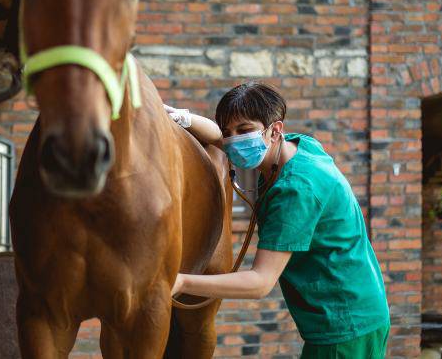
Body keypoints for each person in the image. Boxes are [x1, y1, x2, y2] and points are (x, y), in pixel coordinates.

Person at [167, 82, 390, 358]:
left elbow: (260, 282)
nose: (234, 140)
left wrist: (180, 282)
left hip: (344, 325)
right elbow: (220, 139)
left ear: (276, 130)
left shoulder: (296, 191)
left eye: (245, 131)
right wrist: (183, 118)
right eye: (228, 132)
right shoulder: (299, 147)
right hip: (359, 311)